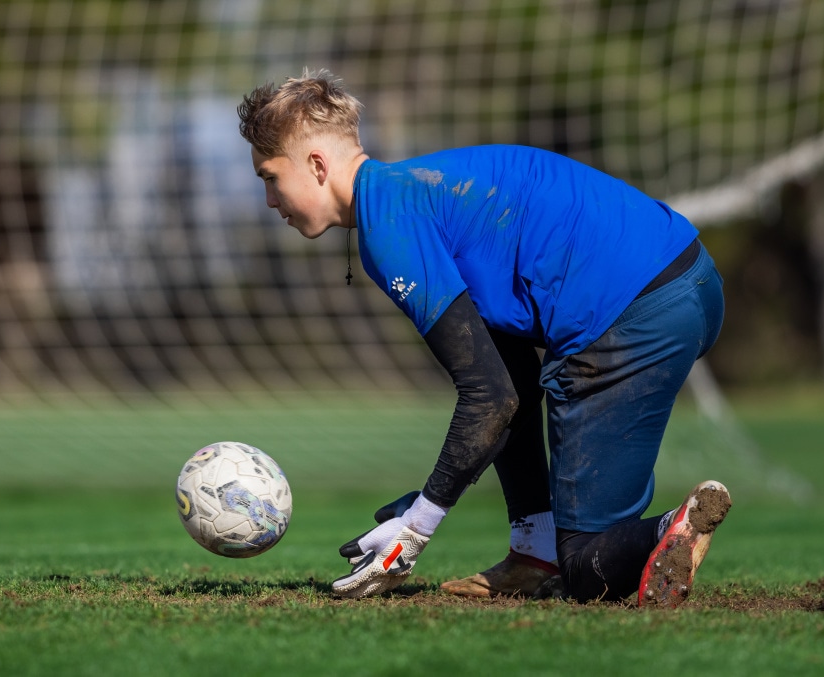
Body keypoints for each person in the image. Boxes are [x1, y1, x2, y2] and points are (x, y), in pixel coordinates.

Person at [237, 69, 732, 606]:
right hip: (693, 282)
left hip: (631, 315)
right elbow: (509, 380)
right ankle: (534, 550)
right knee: (563, 535)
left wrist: (418, 524)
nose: (269, 200)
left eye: (269, 177)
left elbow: (488, 399)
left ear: (315, 165)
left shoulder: (389, 226)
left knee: (588, 571)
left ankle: (672, 529)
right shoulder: (415, 190)